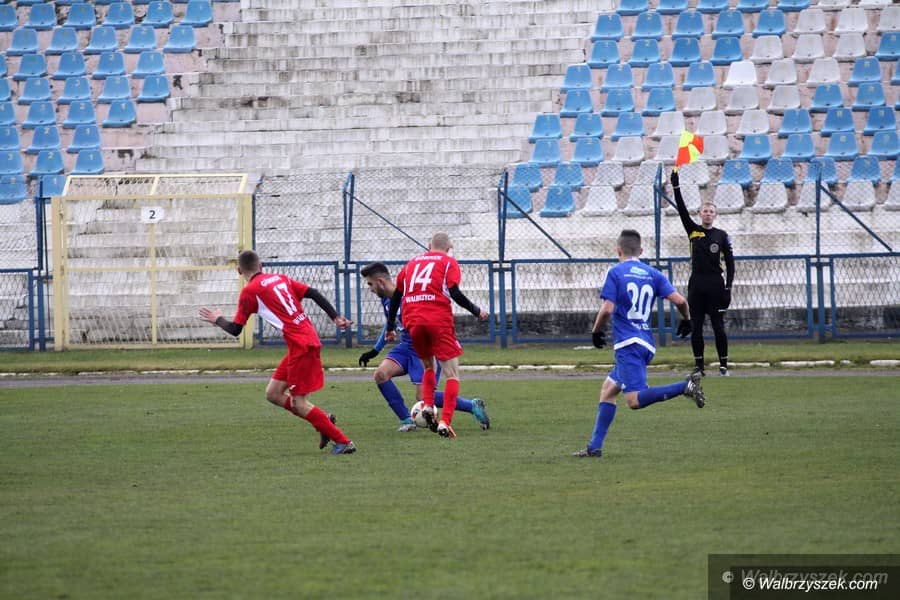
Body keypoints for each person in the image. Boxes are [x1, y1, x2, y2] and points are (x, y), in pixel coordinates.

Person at [199, 250, 357, 455]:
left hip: (302, 346)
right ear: (261, 266)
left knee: (299, 403)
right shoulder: (280, 278)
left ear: (239, 270)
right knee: (273, 394)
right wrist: (335, 317)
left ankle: (343, 442)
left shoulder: (250, 291)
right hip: (303, 341)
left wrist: (217, 319)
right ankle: (323, 420)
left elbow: (236, 329)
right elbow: (313, 292)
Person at [573, 229, 706, 459]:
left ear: (618, 251)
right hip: (645, 342)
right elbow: (680, 301)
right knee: (608, 390)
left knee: (634, 400)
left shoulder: (615, 272)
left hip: (628, 344)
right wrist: (687, 319)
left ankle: (684, 387)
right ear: (641, 251)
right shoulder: (653, 274)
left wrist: (596, 331)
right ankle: (594, 448)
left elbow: (607, 309)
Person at [358, 262, 491, 432]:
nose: (370, 289)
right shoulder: (386, 300)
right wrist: (375, 351)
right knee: (381, 375)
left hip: (423, 346)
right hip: (405, 346)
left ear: (381, 282)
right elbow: (390, 324)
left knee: (423, 396)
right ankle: (407, 420)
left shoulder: (410, 296)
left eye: (370, 284)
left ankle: (471, 405)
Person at [386, 233, 488, 439]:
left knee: (428, 367)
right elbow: (454, 292)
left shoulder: (412, 263)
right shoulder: (448, 262)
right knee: (452, 374)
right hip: (437, 320)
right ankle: (445, 422)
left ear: (428, 245)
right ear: (448, 248)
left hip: (412, 320)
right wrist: (477, 311)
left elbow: (397, 295)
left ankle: (428, 406)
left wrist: (390, 326)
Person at [670, 169, 735, 377]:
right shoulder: (693, 230)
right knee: (696, 326)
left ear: (715, 215)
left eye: (711, 211)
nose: (708, 214)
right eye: (705, 211)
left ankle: (723, 365)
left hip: (715, 284)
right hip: (697, 283)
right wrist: (676, 186)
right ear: (700, 214)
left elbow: (731, 264)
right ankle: (699, 366)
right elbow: (681, 210)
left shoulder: (721, 235)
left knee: (718, 326)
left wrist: (728, 288)